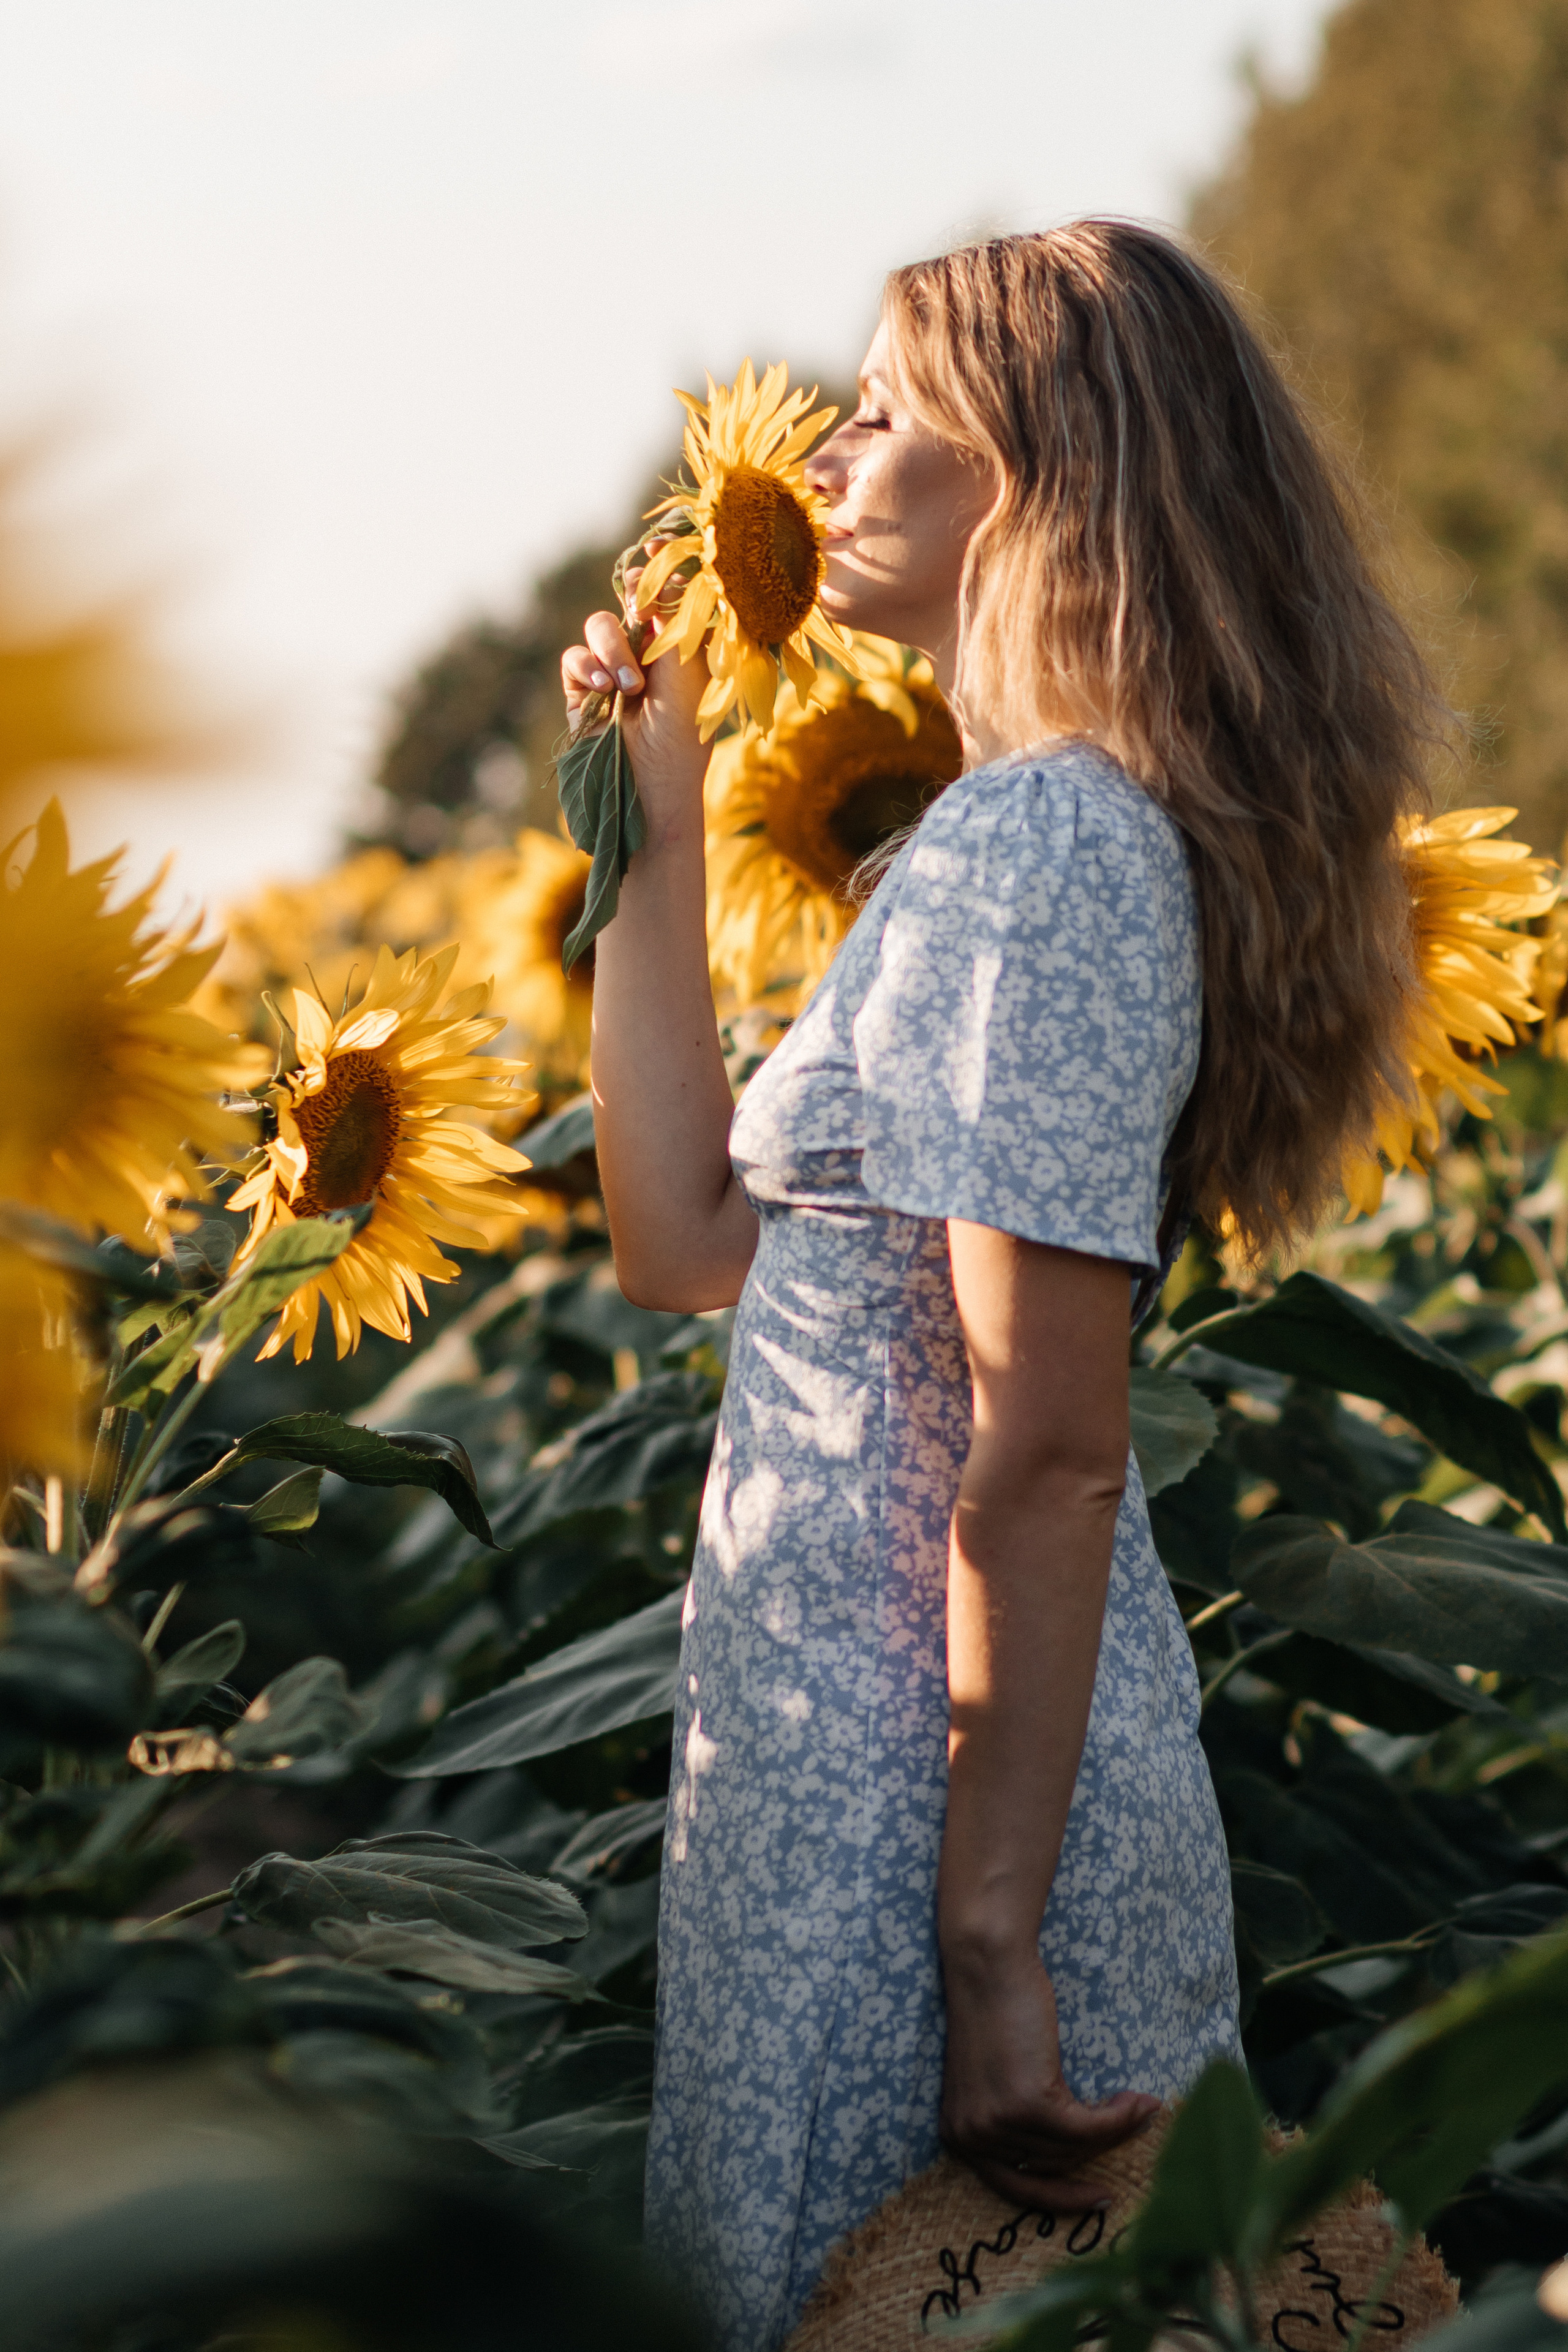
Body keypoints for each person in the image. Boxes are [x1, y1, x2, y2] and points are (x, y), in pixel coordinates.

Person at [560, 222, 1441, 2351]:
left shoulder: (1044, 847)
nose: (832, 453)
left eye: (881, 407)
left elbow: (1040, 1448)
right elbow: (684, 1244)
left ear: (1038, 467)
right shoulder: (1009, 837)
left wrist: (987, 1948)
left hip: (929, 1812)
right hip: (841, 1776)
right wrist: (655, 827)